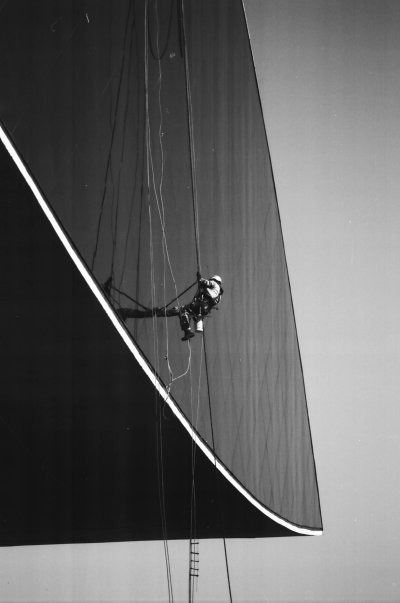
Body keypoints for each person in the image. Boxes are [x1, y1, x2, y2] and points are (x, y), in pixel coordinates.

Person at [179, 273, 223, 341]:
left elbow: (207, 282)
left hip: (201, 305)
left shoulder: (214, 283)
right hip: (205, 310)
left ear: (214, 279)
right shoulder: (219, 297)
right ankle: (195, 326)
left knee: (183, 310)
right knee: (193, 314)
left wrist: (200, 278)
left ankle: (187, 331)